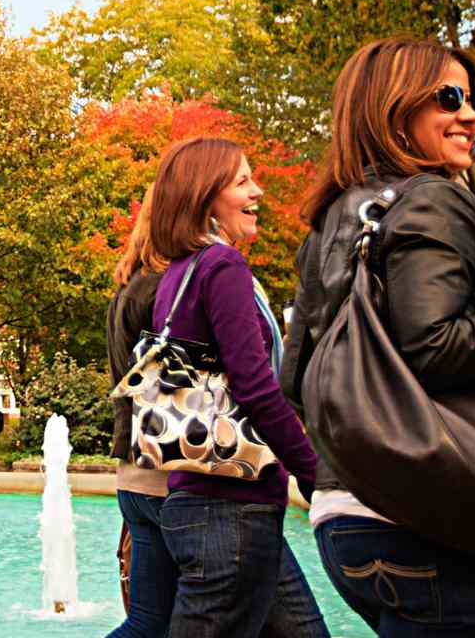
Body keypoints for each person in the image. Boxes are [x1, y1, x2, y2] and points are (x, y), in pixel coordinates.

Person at [282, 37, 475, 635]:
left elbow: (296, 379)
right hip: (437, 515)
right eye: (448, 98)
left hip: (348, 516)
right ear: (393, 108)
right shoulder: (435, 200)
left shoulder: (332, 223)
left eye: (471, 101)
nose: (469, 114)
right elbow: (434, 345)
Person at [134, 137, 329, 638]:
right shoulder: (222, 268)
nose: (258, 190)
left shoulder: (179, 275)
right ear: (206, 197)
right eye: (242, 181)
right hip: (230, 515)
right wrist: (315, 474)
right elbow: (256, 388)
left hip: (212, 505)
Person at [105, 189, 173, 638]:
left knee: (149, 623)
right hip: (169, 472)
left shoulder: (129, 285)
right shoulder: (165, 288)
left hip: (135, 472)